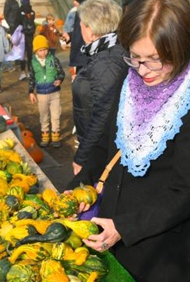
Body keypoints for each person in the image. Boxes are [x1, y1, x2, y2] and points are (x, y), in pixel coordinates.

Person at [68, 0, 190, 282]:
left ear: (180, 48)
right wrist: (77, 191)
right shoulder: (131, 85)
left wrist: (124, 226)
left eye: (155, 61)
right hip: (105, 233)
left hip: (155, 253)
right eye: (136, 59)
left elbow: (188, 192)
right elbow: (102, 145)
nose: (143, 71)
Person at [68, 0, 128, 176]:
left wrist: (83, 156)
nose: (80, 27)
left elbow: (103, 113)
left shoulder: (107, 61)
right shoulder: (104, 51)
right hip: (97, 144)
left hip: (100, 149)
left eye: (82, 24)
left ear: (91, 30)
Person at [28, 35, 66, 148]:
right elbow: (31, 78)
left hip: (54, 93)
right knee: (44, 116)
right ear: (36, 50)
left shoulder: (53, 59)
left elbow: (61, 73)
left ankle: (55, 136)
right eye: (40, 50)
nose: (43, 52)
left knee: (55, 115)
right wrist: (31, 92)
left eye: (45, 49)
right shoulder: (33, 63)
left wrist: (59, 80)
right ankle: (45, 136)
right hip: (41, 94)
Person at [63, 0, 91, 80]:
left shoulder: (84, 11)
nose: (73, 2)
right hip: (81, 58)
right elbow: (78, 32)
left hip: (84, 59)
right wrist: (70, 36)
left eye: (75, 0)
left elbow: (81, 36)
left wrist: (74, 60)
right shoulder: (79, 11)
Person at [19, 0, 37, 81]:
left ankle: (24, 71)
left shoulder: (20, 11)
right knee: (28, 54)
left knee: (24, 54)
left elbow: (17, 21)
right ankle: (28, 71)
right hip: (28, 35)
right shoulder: (31, 12)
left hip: (24, 34)